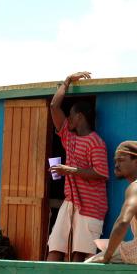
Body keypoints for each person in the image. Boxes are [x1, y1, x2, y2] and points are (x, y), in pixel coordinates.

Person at [46, 71, 109, 262]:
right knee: (55, 247)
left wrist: (69, 170)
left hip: (91, 207)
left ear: (80, 117)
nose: (68, 120)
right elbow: (54, 106)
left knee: (79, 256)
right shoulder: (69, 137)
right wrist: (66, 81)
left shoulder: (95, 142)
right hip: (70, 202)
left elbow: (100, 173)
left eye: (71, 116)